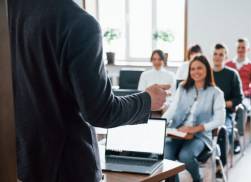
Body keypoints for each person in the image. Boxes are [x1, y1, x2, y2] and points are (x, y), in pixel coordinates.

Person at [8, 1, 169, 181]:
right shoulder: (78, 23)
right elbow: (101, 112)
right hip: (68, 167)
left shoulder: (11, 11)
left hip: (24, 164)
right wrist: (147, 100)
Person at [163, 55, 226, 182]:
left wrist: (196, 128)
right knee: (166, 154)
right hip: (178, 131)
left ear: (207, 70)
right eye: (192, 69)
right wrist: (161, 124)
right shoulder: (182, 87)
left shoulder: (216, 92)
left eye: (199, 68)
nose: (195, 72)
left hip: (200, 136)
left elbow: (220, 120)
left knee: (185, 156)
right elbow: (173, 109)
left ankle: (198, 179)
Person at [212, 43, 243, 158]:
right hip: (206, 112)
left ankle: (220, 164)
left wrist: (223, 104)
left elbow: (239, 98)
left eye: (221, 54)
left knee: (223, 131)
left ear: (226, 57)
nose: (217, 57)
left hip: (225, 112)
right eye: (215, 54)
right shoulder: (206, 73)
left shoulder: (232, 74)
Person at [226, 38, 251, 136]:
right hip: (229, 96)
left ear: (248, 49)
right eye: (238, 47)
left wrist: (247, 92)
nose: (240, 50)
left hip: (244, 97)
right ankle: (225, 134)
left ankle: (237, 138)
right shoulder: (228, 64)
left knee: (241, 108)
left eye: (243, 47)